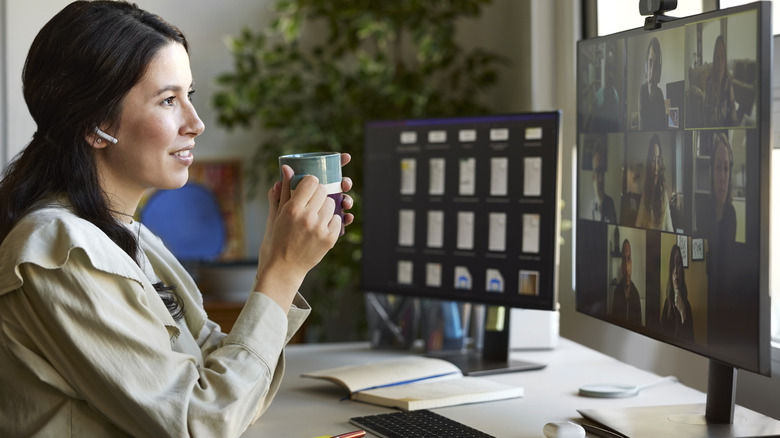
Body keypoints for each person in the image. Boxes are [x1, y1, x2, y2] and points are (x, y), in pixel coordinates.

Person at [0, 2, 354, 436]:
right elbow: (199, 423)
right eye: (169, 100)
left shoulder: (131, 237)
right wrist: (283, 271)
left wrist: (279, 256)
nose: (196, 123)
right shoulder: (58, 251)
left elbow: (216, 376)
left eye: (190, 96)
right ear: (95, 125)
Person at [696, 132, 736, 242]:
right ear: (711, 172)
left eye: (726, 168)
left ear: (730, 175)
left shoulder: (731, 214)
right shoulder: (702, 211)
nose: (722, 177)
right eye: (718, 167)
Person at [635, 134, 674, 231]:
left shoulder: (663, 196)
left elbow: (670, 229)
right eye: (653, 160)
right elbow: (637, 225)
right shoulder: (645, 195)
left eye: (658, 160)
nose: (656, 167)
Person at [661, 244, 694, 341]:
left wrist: (683, 312)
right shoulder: (666, 305)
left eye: (678, 264)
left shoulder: (687, 306)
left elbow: (691, 342)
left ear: (682, 271)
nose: (675, 271)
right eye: (673, 265)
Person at [704, 35, 738, 127]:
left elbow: (733, 115)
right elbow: (705, 115)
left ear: (725, 60)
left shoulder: (729, 83)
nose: (720, 62)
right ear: (714, 59)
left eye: (722, 57)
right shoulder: (709, 81)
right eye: (717, 57)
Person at [611, 239, 642, 324]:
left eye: (628, 259)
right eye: (624, 260)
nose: (627, 267)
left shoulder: (636, 294)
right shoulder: (617, 292)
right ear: (621, 265)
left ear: (631, 263)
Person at [638, 37, 667, 130]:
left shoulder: (660, 93)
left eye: (656, 65)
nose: (652, 70)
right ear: (646, 64)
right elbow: (643, 126)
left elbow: (663, 125)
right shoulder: (642, 90)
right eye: (650, 62)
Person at [591, 141, 617, 223]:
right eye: (598, 172)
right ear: (593, 178)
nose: (601, 179)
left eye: (602, 171)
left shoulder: (610, 203)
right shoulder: (587, 206)